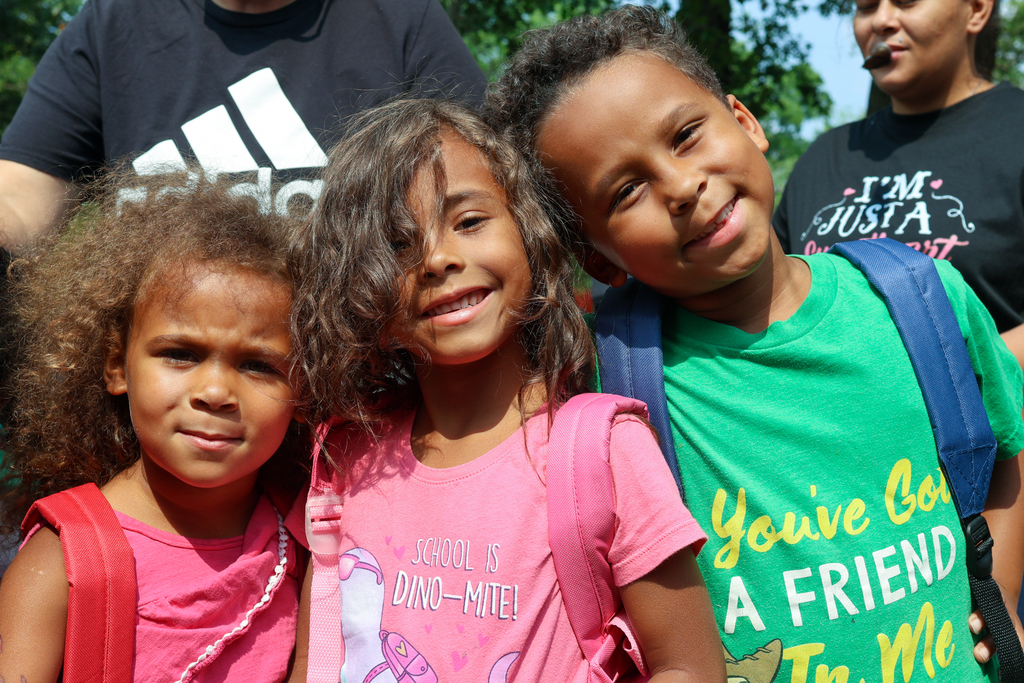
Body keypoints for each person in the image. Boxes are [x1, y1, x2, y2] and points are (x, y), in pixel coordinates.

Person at [486, 6, 1024, 683]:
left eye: (686, 135)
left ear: (745, 122)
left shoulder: (926, 299)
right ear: (601, 260)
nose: (681, 188)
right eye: (626, 191)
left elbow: (1005, 449)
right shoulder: (597, 383)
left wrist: (994, 595)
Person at [286, 98, 725, 682]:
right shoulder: (346, 458)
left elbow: (689, 668)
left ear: (530, 231)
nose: (439, 258)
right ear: (359, 292)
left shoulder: (603, 452)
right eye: (397, 246)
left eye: (469, 222)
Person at [0, 174, 309, 681]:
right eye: (180, 354)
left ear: (306, 390)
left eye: (258, 365)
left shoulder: (307, 539)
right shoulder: (64, 562)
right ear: (117, 366)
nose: (215, 391)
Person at [0, 0, 487, 249]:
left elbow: (489, 197)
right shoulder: (116, 22)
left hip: (356, 409)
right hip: (160, 408)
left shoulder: (401, 20)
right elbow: (19, 198)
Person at [772, 0, 1024, 368]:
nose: (882, 20)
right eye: (866, 6)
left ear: (976, 10)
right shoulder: (823, 157)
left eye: (906, 1)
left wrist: (935, 387)